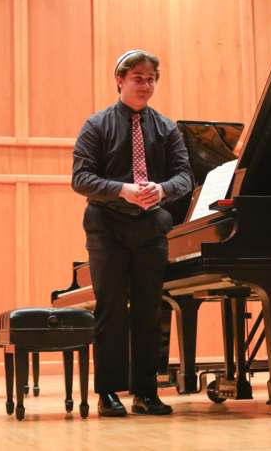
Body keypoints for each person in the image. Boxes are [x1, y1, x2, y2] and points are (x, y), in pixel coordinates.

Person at [71, 50, 193, 416]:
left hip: (150, 228)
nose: (146, 85)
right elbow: (80, 179)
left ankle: (145, 392)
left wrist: (162, 190)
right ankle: (108, 393)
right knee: (110, 310)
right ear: (120, 80)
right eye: (138, 78)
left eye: (152, 78)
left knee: (148, 311)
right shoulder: (96, 125)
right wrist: (122, 189)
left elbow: (185, 175)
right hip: (107, 226)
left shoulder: (167, 128)